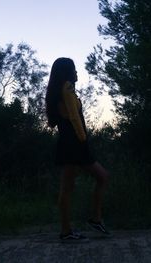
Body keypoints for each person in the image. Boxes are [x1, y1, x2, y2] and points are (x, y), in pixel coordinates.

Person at [45, 57, 110, 243]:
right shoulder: (67, 88)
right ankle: (69, 230)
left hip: (69, 142)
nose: (76, 73)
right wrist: (83, 139)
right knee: (90, 180)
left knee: (78, 184)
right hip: (74, 143)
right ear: (66, 73)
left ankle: (93, 220)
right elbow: (74, 117)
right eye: (74, 70)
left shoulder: (59, 90)